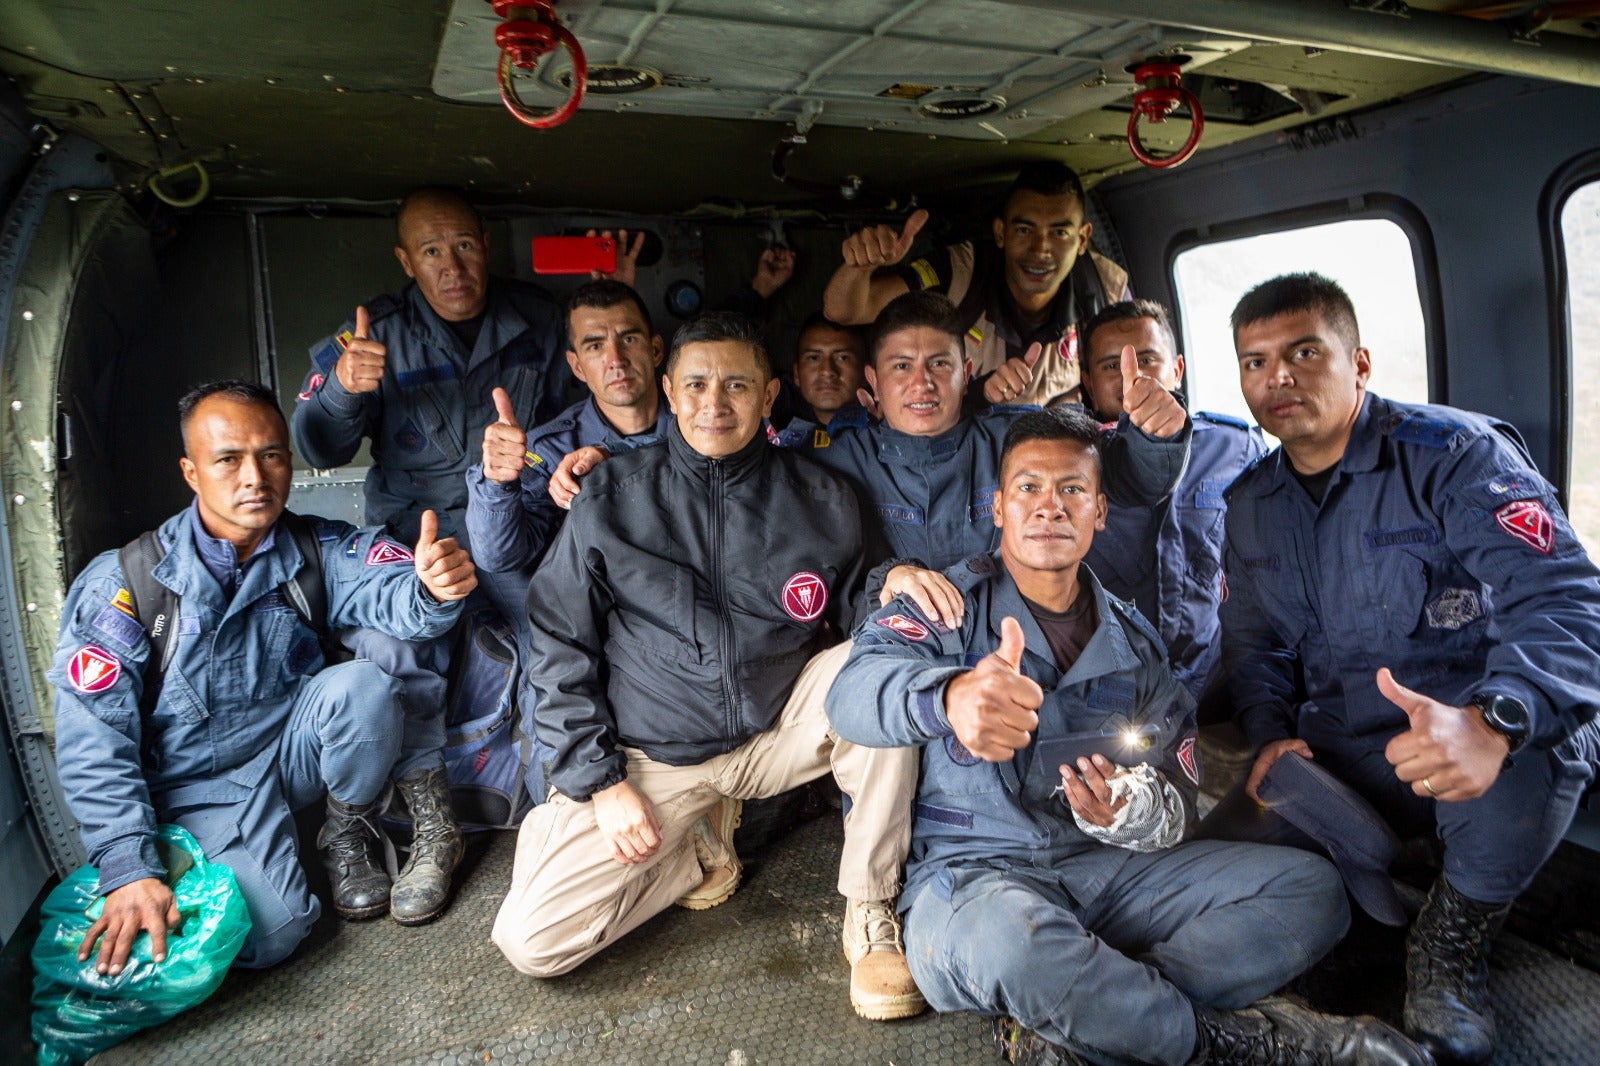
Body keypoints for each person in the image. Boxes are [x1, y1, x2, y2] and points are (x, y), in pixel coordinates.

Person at [827, 407, 1428, 1066]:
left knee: (1313, 893)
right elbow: (851, 697)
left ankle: (1081, 1016)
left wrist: (1131, 811)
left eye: (1072, 491)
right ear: (998, 508)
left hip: (1108, 872)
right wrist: (949, 696)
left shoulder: (1136, 646)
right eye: (1028, 488)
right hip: (976, 883)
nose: (1049, 508)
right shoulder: (945, 608)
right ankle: (1229, 1039)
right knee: (1014, 947)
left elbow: (1179, 791)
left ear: (1100, 512)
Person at [1206, 273, 1600, 1066]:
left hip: (1469, 728)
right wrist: (1269, 736)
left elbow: (1565, 603)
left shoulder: (1452, 456)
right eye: (1254, 362)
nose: (1276, 378)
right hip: (1346, 746)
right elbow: (1254, 646)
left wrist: (1498, 719)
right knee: (1224, 855)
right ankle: (1389, 887)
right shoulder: (1250, 500)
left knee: (1545, 748)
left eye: (1303, 352)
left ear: (1360, 363)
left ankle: (1450, 944)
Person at [490, 313, 925, 1023]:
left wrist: (895, 581)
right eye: (695, 384)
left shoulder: (821, 497)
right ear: (668, 390)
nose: (713, 403)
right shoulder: (612, 497)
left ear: (768, 394)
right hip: (651, 758)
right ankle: (691, 846)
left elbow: (862, 598)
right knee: (531, 941)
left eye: (736, 384)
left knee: (888, 671)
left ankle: (872, 907)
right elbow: (557, 642)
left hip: (771, 734)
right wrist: (599, 784)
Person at [52, 381, 476, 973]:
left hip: (288, 757)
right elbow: (93, 737)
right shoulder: (125, 585)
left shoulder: (313, 546)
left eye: (272, 455)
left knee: (363, 686)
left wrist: (430, 588)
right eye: (228, 459)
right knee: (278, 933)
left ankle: (343, 831)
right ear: (191, 472)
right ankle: (254, 854)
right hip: (196, 791)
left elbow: (390, 590)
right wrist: (129, 867)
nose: (255, 476)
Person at [290, 186, 568, 920]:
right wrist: (345, 393)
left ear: (488, 245)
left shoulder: (539, 321)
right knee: (391, 646)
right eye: (433, 251)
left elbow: (583, 419)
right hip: (415, 546)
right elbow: (314, 446)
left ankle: (559, 817)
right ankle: (431, 831)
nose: (454, 267)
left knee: (565, 647)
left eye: (466, 246)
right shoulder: (370, 337)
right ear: (405, 261)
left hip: (515, 534)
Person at [801, 290, 1188, 619]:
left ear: (966, 372)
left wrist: (1155, 436)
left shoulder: (1019, 439)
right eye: (902, 366)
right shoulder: (836, 462)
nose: (922, 383)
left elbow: (1130, 482)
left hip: (1018, 650)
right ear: (873, 380)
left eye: (939, 363)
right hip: (896, 659)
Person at [1078, 299, 1267, 705]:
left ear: (1177, 369)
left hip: (1218, 686)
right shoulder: (1067, 460)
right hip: (1109, 692)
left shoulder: (1236, 446)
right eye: (1112, 366)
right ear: (1088, 384)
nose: (1134, 378)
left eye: (1148, 359)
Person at [822, 161, 1129, 407]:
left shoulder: (1105, 289)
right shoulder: (959, 272)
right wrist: (861, 267)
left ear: (1083, 238)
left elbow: (1139, 376)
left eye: (1059, 233)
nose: (1040, 249)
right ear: (1000, 233)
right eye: (1024, 230)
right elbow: (844, 311)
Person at [465, 279, 672, 578]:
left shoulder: (705, 424)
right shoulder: (550, 451)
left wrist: (613, 458)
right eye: (596, 345)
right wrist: (497, 485)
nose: (616, 360)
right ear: (576, 366)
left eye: (628, 339)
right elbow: (501, 558)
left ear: (654, 350)